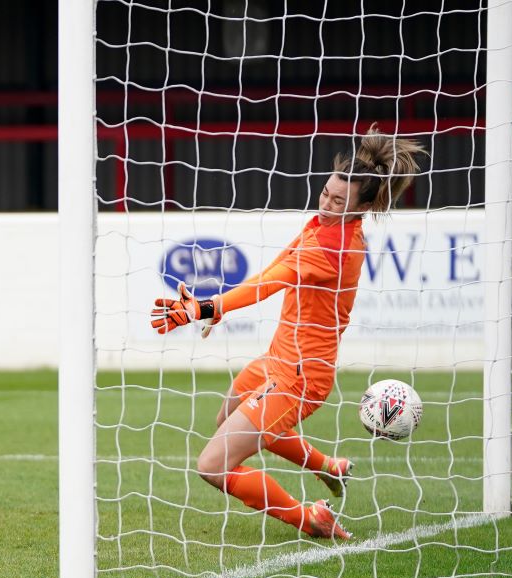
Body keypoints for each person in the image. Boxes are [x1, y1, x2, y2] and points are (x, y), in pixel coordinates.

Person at [150, 124, 426, 540]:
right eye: (326, 192)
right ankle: (328, 466)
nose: (327, 202)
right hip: (277, 360)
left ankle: (311, 519)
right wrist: (220, 309)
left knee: (212, 465)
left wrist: (204, 307)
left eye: (338, 200)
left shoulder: (334, 247)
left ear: (360, 207)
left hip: (300, 378)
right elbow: (275, 266)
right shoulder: (322, 226)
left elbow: (271, 282)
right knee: (226, 417)